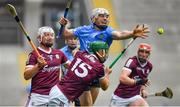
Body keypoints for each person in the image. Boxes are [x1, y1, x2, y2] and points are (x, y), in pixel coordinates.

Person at [59, 7, 150, 106]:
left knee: (89, 105)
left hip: (96, 71)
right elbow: (66, 33)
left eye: (107, 16)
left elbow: (120, 34)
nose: (105, 18)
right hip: (83, 71)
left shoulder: (108, 31)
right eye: (102, 16)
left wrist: (132, 33)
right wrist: (63, 26)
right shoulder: (83, 30)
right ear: (93, 18)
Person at [48, 41, 112, 106]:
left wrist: (79, 46)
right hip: (61, 97)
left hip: (58, 92)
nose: (106, 54)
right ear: (100, 52)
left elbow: (74, 52)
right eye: (105, 51)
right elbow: (105, 87)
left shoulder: (80, 54)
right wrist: (107, 74)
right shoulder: (99, 67)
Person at [24, 26, 70, 106]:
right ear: (39, 38)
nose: (50, 37)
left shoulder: (59, 53)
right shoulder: (33, 55)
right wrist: (38, 66)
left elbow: (72, 67)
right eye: (46, 35)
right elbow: (26, 76)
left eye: (52, 35)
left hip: (56, 95)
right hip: (38, 96)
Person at [60, 37, 81, 106]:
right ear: (66, 41)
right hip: (66, 85)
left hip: (80, 85)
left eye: (75, 39)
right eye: (70, 39)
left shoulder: (83, 52)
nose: (73, 41)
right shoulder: (61, 52)